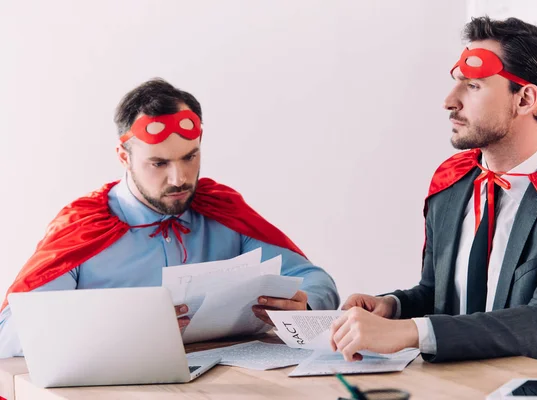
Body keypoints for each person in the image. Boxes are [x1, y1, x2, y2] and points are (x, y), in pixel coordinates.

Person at [330, 16, 537, 373]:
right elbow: (439, 296)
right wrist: (394, 307)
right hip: (458, 387)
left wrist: (410, 331)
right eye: (456, 83)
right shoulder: (451, 182)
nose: (449, 101)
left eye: (473, 86)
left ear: (525, 100)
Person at [0, 78, 339, 358]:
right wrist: (114, 322)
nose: (179, 178)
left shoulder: (221, 211)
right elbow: (11, 334)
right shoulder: (85, 227)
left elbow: (315, 280)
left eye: (190, 157)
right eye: (159, 163)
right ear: (123, 156)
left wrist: (304, 307)